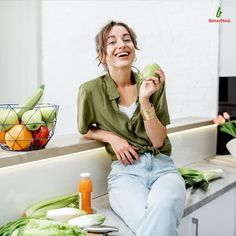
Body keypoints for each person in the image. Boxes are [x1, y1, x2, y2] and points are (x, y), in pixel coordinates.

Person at [77, 20, 186, 236]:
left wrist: (145, 100)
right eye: (112, 41)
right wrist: (112, 137)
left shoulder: (153, 83)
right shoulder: (89, 91)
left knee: (164, 206)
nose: (122, 44)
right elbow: (85, 129)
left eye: (127, 40)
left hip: (163, 169)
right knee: (156, 222)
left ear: (134, 51)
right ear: (102, 55)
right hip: (125, 174)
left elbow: (157, 141)